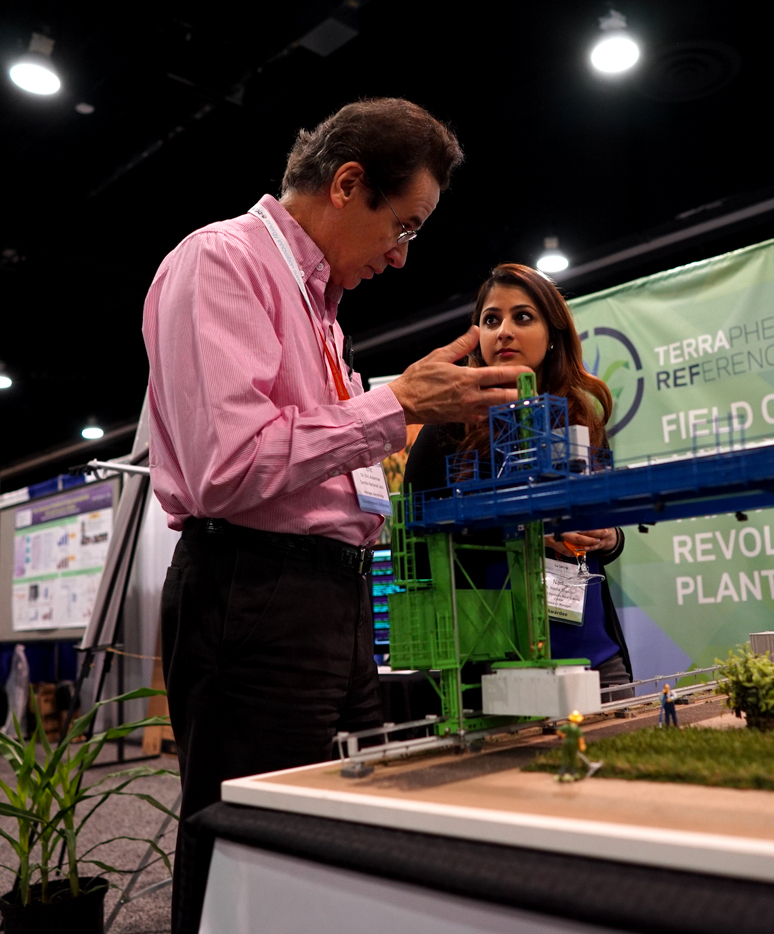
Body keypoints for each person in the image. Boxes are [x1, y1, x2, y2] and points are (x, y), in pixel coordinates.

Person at [142, 98, 530, 932]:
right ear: (349, 184)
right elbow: (230, 466)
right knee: (250, 848)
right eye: (405, 225)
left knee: (332, 844)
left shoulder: (319, 309)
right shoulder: (223, 262)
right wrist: (394, 406)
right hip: (256, 591)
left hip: (331, 598)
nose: (400, 256)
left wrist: (391, 403)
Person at [403, 263, 635, 696]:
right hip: (491, 673)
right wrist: (520, 533)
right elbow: (415, 551)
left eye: (522, 317)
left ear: (553, 335)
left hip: (598, 664)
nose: (503, 331)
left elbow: (603, 534)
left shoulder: (582, 420)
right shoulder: (447, 428)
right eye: (491, 320)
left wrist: (609, 537)